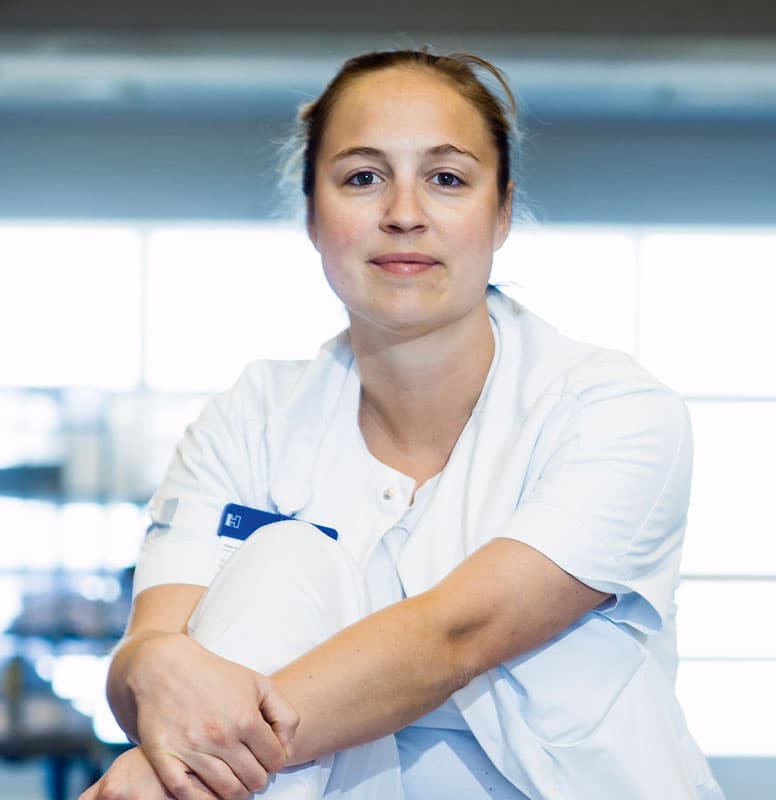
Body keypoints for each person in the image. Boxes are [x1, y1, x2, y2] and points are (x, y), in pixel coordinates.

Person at [81, 49, 724, 800]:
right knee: (284, 560)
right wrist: (145, 668)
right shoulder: (251, 415)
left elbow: (452, 639)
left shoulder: (613, 412)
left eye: (447, 178)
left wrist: (185, 761)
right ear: (313, 213)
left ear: (503, 209)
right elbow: (153, 663)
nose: (405, 213)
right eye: (362, 177)